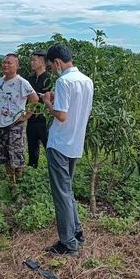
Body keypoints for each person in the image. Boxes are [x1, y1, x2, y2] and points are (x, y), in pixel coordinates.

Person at [42, 45, 93, 255]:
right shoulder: (87, 81)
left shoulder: (63, 81)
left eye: (52, 66)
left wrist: (47, 103)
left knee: (61, 194)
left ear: (57, 63)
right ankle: (77, 232)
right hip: (75, 143)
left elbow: (61, 115)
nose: (53, 70)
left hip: (60, 143)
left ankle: (68, 243)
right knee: (68, 190)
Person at [0, 53, 39, 184]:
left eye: (9, 63)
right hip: (2, 124)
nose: (5, 65)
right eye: (4, 62)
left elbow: (35, 99)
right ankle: (11, 181)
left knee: (16, 154)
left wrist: (26, 116)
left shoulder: (22, 83)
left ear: (17, 65)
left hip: (16, 125)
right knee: (5, 155)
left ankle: (19, 183)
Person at [26, 49, 50, 168]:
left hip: (44, 121)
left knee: (49, 149)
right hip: (31, 119)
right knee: (32, 148)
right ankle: (32, 170)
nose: (32, 62)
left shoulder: (49, 79)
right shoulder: (29, 79)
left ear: (42, 62)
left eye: (34, 60)